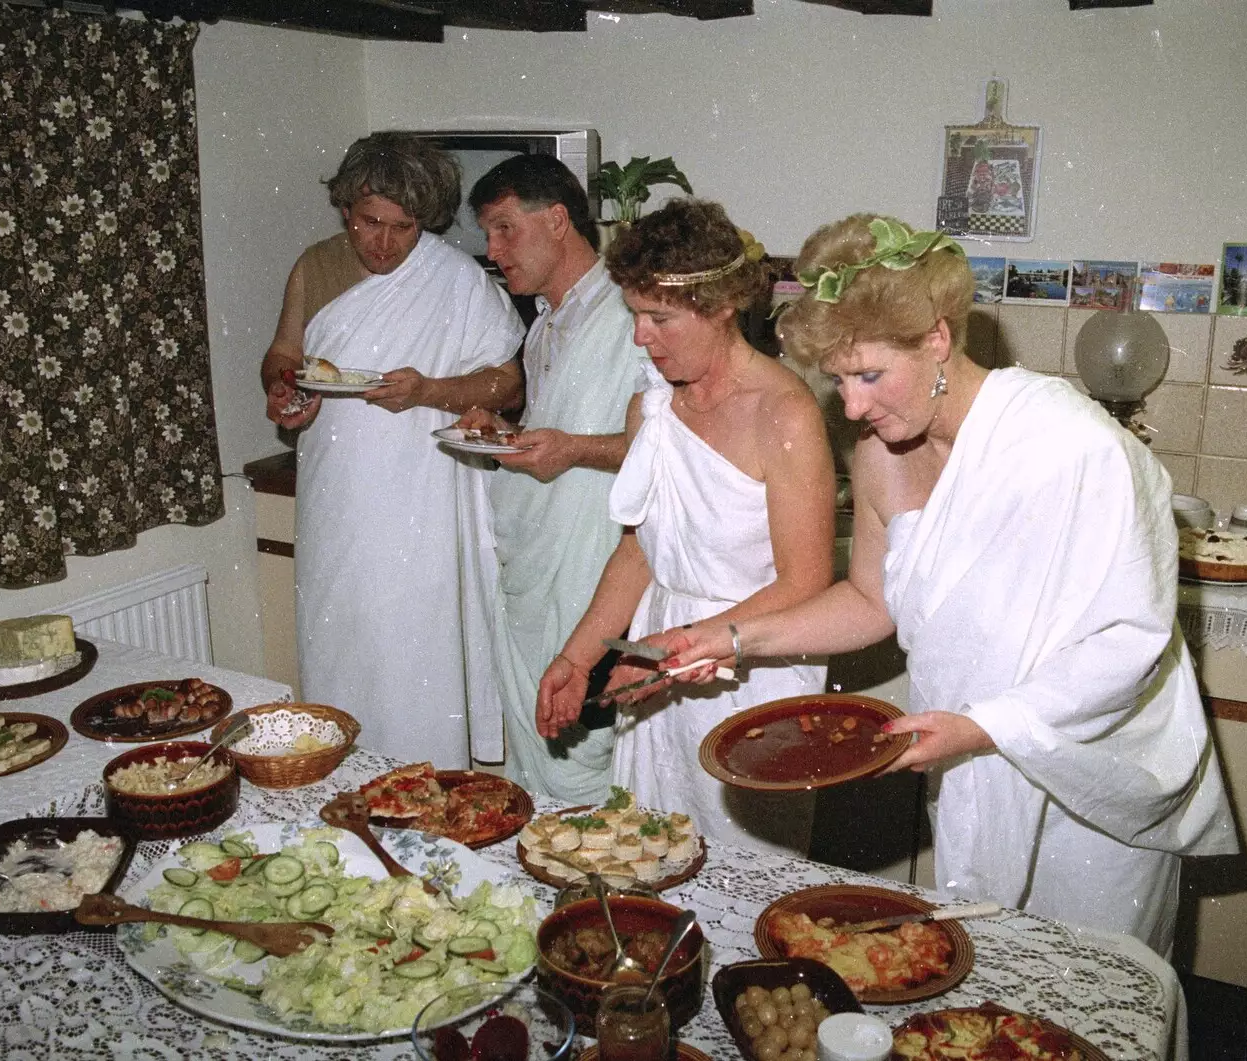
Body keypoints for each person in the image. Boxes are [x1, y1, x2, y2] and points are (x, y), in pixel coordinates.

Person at [664, 214, 1236, 952]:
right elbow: (870, 600)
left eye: (869, 374)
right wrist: (735, 635)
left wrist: (981, 726)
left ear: (937, 337)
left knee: (1082, 984)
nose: (856, 406)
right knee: (991, 977)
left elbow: (1128, 641)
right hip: (972, 759)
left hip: (1088, 775)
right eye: (839, 380)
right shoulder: (880, 452)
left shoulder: (1075, 447)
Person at [535, 200, 835, 855]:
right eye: (634, 316)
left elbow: (808, 582)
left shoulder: (782, 414)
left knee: (745, 870)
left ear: (723, 304)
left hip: (754, 669)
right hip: (660, 659)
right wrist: (578, 656)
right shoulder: (653, 405)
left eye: (660, 318)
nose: (641, 338)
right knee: (651, 857)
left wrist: (684, 648)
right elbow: (640, 551)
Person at [261, 133, 526, 769]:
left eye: (401, 228)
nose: (382, 243)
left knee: (414, 644)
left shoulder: (456, 279)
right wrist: (280, 390)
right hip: (336, 494)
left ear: (425, 223)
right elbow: (285, 356)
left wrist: (430, 390)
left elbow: (509, 384)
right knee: (340, 633)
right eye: (368, 223)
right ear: (345, 208)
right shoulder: (316, 265)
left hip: (421, 499)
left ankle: (423, 780)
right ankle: (344, 777)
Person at [455, 155, 653, 802]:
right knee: (537, 742)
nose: (493, 249)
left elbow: (659, 452)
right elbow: (555, 429)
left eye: (505, 228)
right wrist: (504, 431)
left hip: (596, 566)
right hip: (539, 570)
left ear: (558, 219)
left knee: (587, 755)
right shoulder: (542, 324)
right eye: (487, 233)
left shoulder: (631, 319)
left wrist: (570, 449)